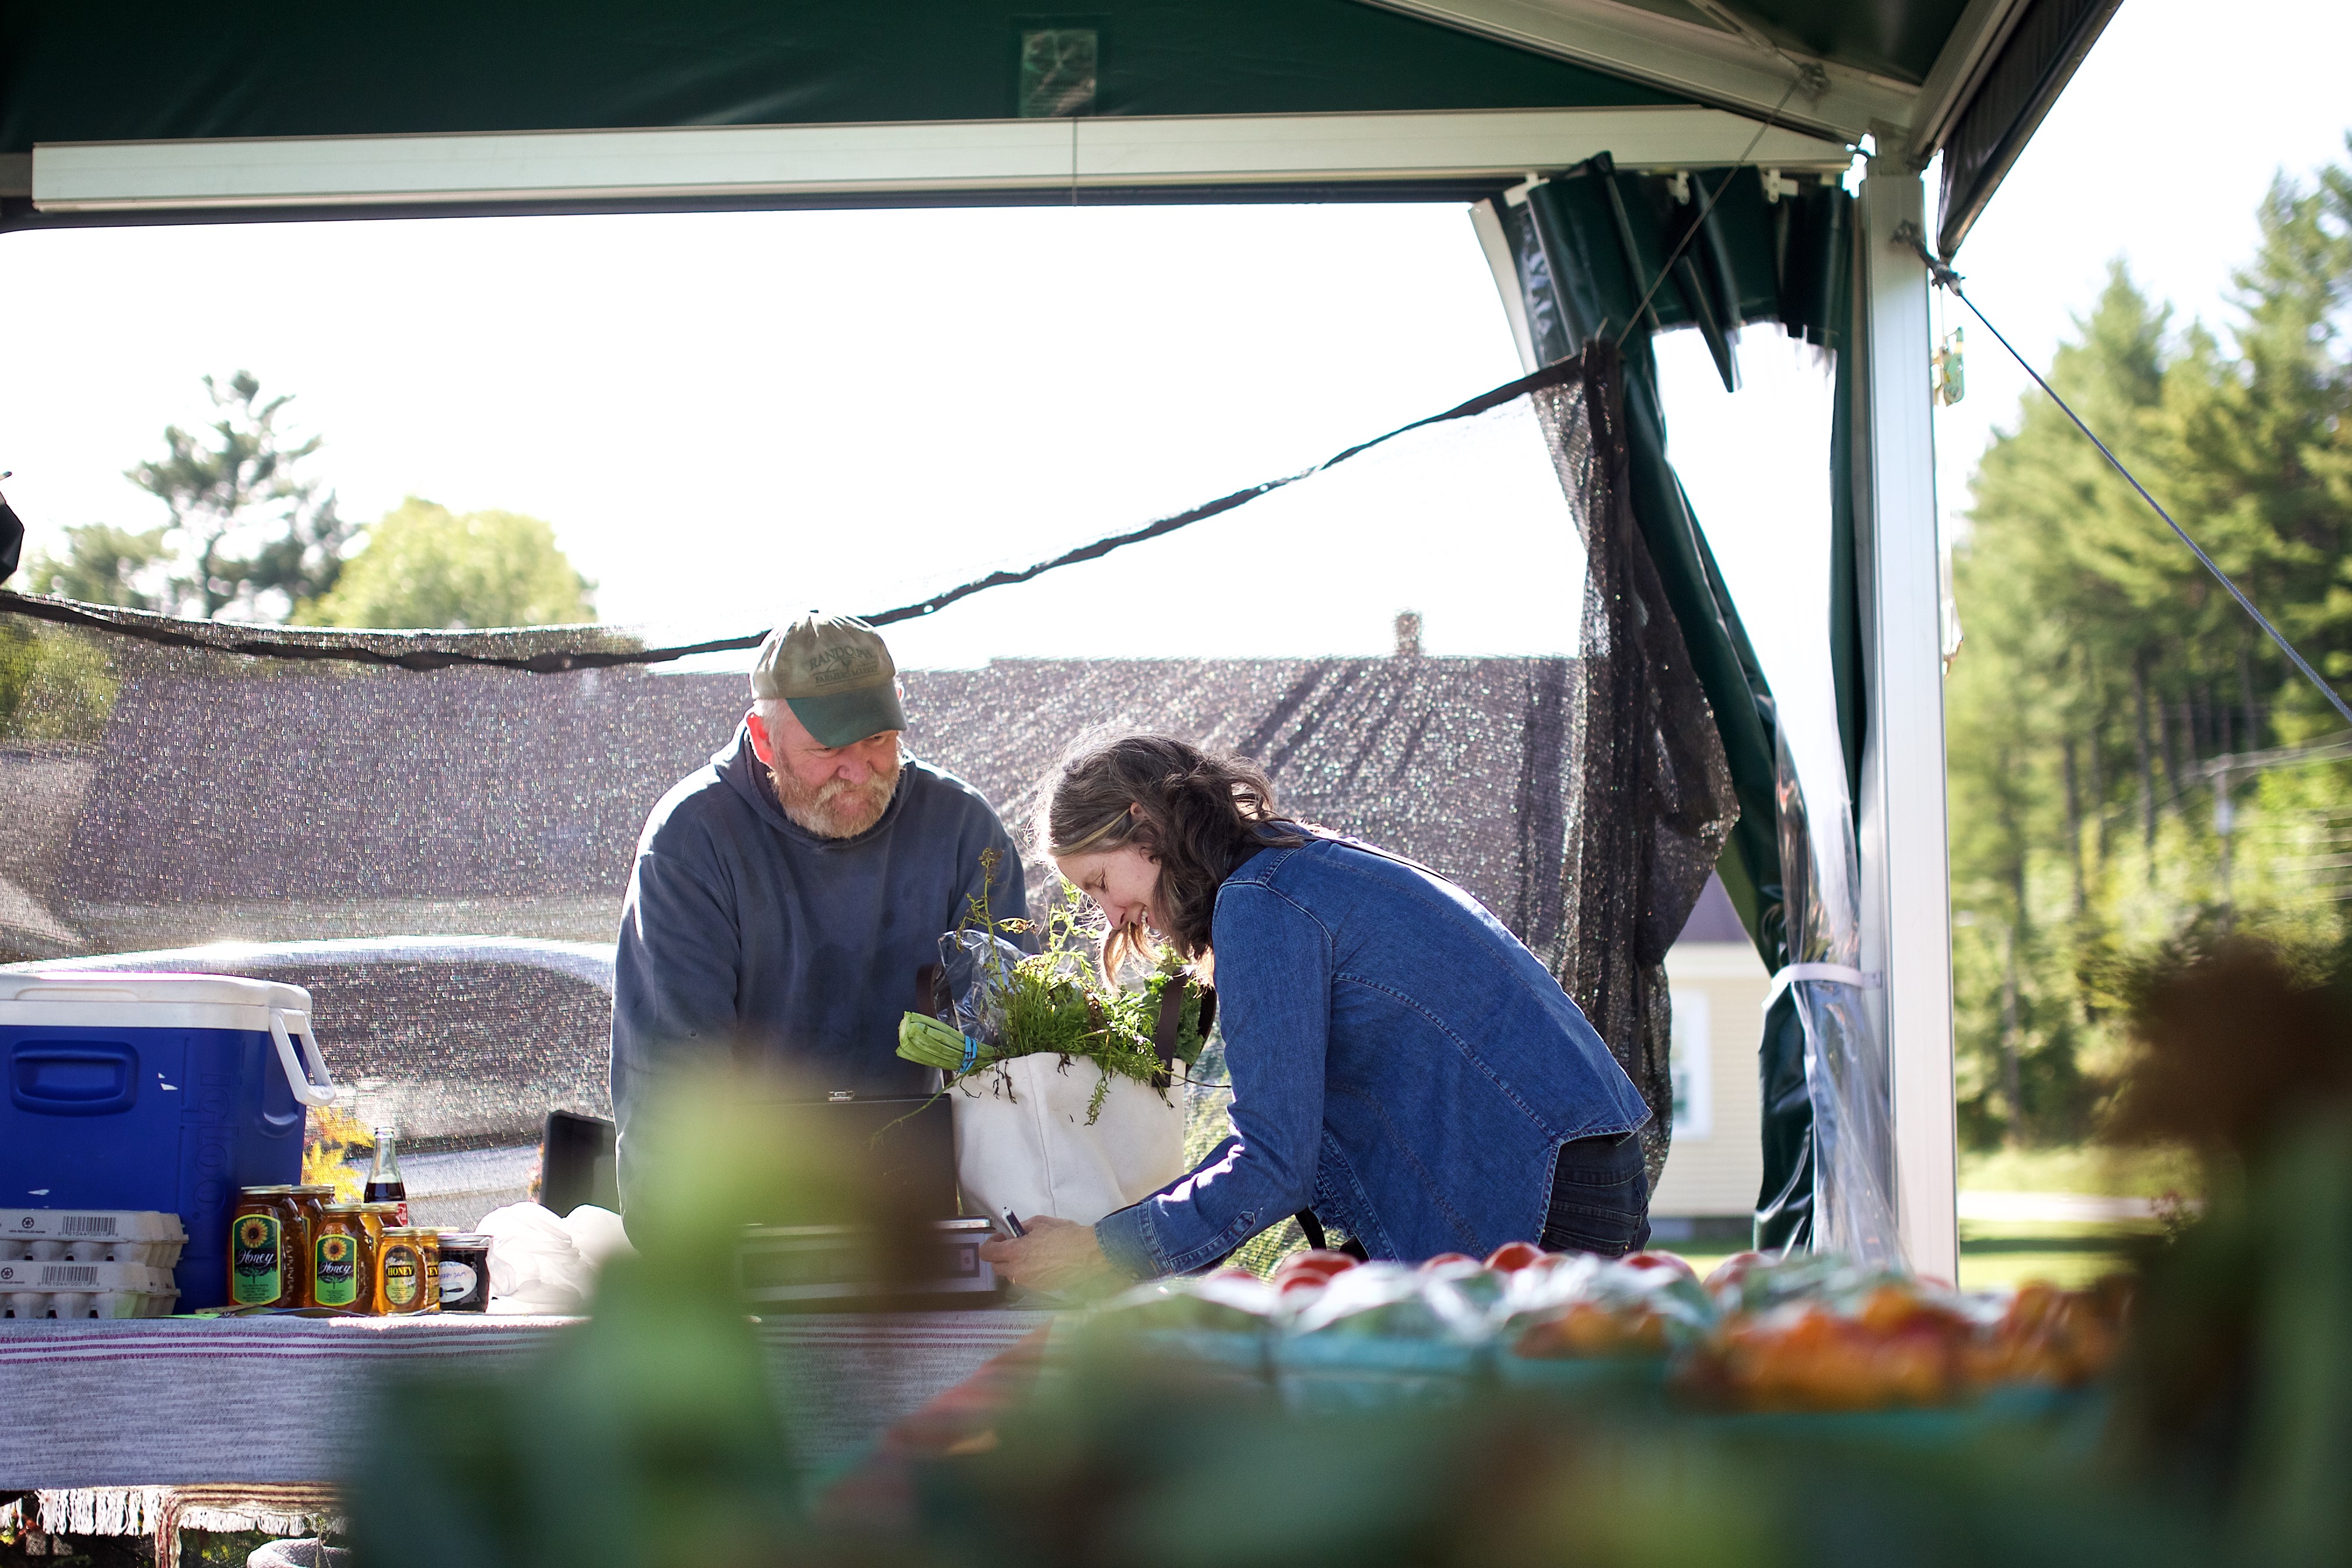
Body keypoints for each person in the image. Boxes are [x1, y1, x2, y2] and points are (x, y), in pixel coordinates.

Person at [979, 732, 1650, 1290]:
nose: (1110, 913)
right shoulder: (1294, 865)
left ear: (1142, 823)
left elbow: (1272, 1162)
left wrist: (1103, 1251)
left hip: (1535, 1192)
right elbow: (1282, 1133)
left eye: (1099, 882)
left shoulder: (1263, 905)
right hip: (1571, 1166)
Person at [609, 611, 1023, 1205]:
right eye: (828, 748)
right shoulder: (691, 841)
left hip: (914, 1205)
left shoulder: (961, 828)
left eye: (878, 740)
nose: (858, 772)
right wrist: (687, 1258)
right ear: (762, 737)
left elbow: (1010, 1052)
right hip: (741, 1206)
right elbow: (672, 1077)